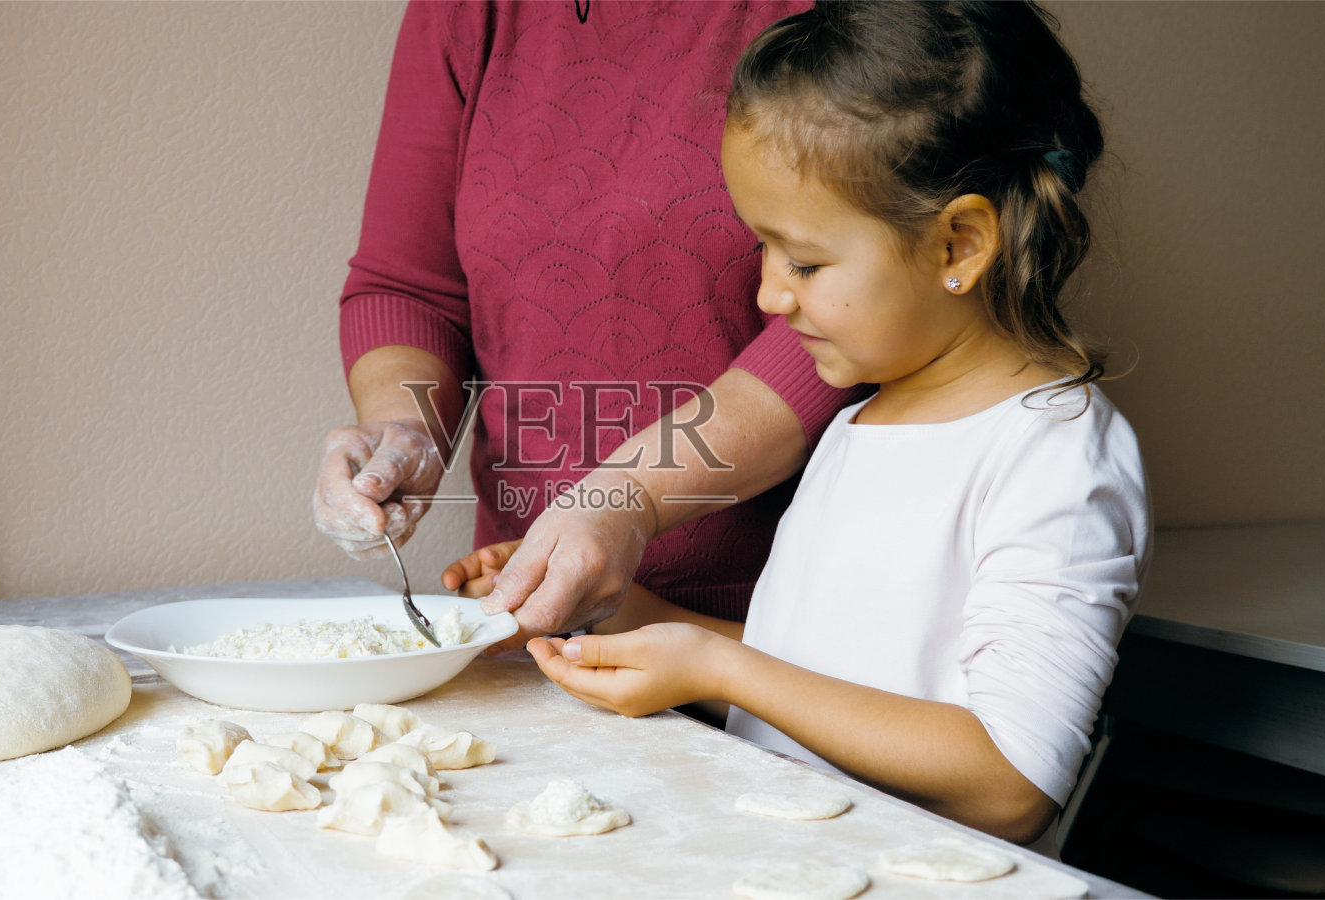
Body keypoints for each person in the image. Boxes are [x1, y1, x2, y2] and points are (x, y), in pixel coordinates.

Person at [446, 0, 1151, 850]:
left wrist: (714, 668)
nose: (770, 298)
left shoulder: (1053, 451)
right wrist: (621, 615)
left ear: (960, 244)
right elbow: (824, 678)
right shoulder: (864, 414)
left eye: (806, 263)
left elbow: (1009, 783)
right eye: (764, 252)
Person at [312, 0, 870, 650]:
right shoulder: (468, 11)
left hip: (777, 635)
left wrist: (634, 495)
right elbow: (412, 282)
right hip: (529, 617)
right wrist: (398, 431)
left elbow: (871, 294)